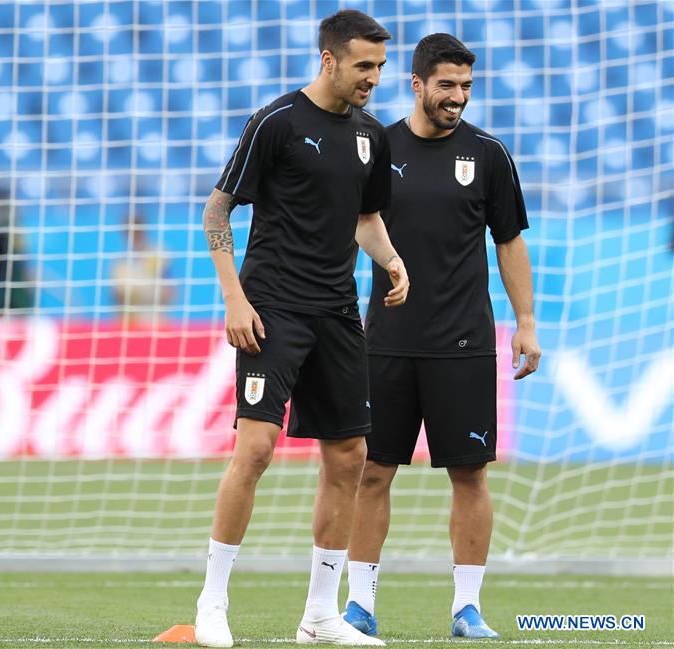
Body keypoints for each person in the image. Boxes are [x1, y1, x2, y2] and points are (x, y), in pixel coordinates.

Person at [194, 9, 409, 648]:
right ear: (329, 59)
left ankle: (320, 616)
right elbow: (217, 209)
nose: (373, 78)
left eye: (380, 67)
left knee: (350, 457)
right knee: (256, 449)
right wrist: (234, 299)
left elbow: (365, 218)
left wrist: (392, 260)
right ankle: (212, 602)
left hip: (338, 312)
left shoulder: (371, 135)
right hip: (272, 309)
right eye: (363, 65)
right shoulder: (277, 122)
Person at [340, 33, 541, 640]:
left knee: (470, 476)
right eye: (447, 85)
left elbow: (509, 241)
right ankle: (359, 605)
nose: (458, 96)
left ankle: (467, 609)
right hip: (386, 341)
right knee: (372, 473)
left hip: (464, 345)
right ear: (417, 84)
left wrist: (526, 323)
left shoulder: (488, 154)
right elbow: (352, 225)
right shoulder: (375, 147)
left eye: (466, 86)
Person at [109, 212, 175, 325]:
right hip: (128, 324)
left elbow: (170, 292)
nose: (134, 238)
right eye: (129, 234)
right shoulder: (119, 265)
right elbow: (116, 298)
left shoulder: (159, 257)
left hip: (155, 321)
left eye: (137, 233)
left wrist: (144, 291)